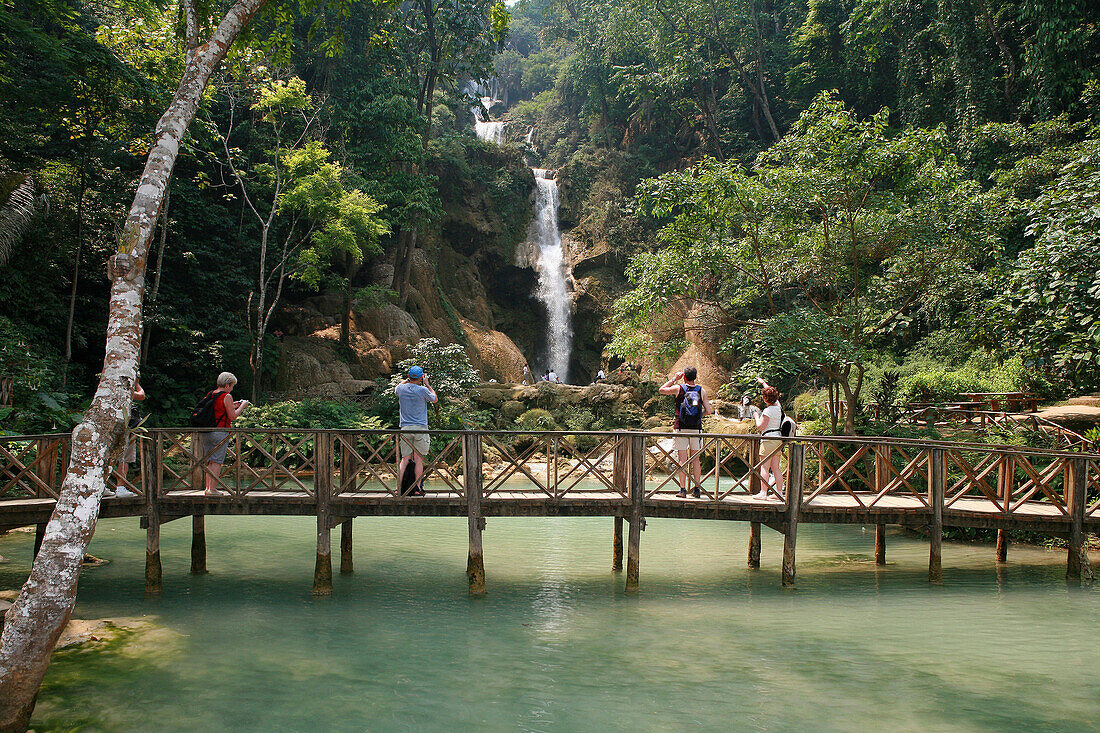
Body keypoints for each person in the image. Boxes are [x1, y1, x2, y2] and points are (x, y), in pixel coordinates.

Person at [658, 367, 712, 498]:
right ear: (695, 377)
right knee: (696, 460)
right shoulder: (701, 390)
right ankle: (697, 489)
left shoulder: (679, 388)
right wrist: (698, 417)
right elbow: (709, 411)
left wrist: (674, 379)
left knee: (683, 459)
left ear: (684, 377)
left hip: (680, 427)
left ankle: (682, 490)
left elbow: (661, 390)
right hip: (696, 429)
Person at [200, 372, 250, 496]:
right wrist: (242, 406)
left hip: (207, 432)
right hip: (220, 431)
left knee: (210, 461)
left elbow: (218, 409)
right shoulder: (227, 396)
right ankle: (213, 489)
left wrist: (234, 405)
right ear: (227, 385)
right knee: (217, 461)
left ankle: (208, 488)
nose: (232, 388)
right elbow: (232, 416)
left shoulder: (211, 394)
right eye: (232, 386)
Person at [395, 365, 437, 497]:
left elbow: (397, 386)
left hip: (405, 428)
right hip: (420, 428)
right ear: (420, 377)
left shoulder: (401, 388)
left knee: (404, 459)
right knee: (418, 459)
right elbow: (434, 399)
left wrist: (407, 380)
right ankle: (417, 488)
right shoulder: (423, 390)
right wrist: (428, 384)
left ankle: (398, 488)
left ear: (408, 376)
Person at [109, 376, 146, 498]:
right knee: (124, 458)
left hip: (108, 427)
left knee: (107, 457)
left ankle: (102, 485)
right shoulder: (123, 390)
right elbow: (141, 395)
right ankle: (120, 488)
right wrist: (137, 383)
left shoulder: (107, 390)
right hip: (124, 428)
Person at [752, 377, 785, 501]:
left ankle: (763, 493)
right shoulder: (778, 406)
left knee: (765, 467)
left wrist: (756, 416)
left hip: (768, 440)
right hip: (778, 439)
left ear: (765, 399)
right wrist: (763, 383)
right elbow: (769, 392)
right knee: (776, 467)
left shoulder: (767, 411)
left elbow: (761, 426)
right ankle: (779, 493)